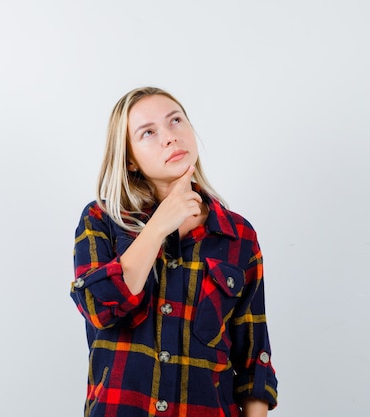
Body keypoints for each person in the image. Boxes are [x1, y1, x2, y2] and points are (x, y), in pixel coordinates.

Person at [70, 86, 278, 417]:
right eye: (148, 132)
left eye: (176, 121)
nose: (169, 137)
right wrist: (158, 227)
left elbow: (254, 360)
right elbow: (100, 308)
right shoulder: (101, 220)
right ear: (130, 160)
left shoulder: (238, 236)